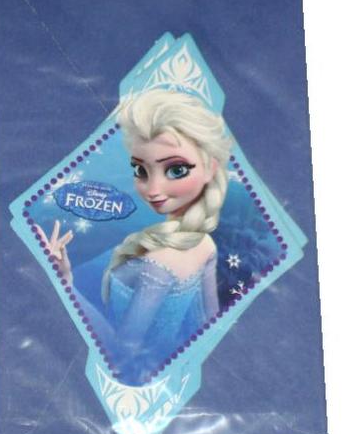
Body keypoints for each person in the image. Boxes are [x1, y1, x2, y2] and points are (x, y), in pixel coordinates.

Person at [36, 89, 232, 385]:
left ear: (210, 168)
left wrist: (66, 284)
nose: (153, 190)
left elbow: (121, 351)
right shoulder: (206, 245)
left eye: (176, 170)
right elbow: (210, 322)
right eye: (141, 170)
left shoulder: (159, 265)